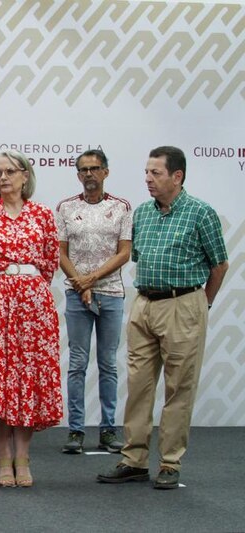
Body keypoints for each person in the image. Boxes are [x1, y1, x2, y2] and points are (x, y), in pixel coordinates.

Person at [98, 146, 227, 489]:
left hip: (183, 304)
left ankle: (170, 463)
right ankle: (134, 459)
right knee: (138, 385)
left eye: (155, 173)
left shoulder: (201, 213)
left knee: (178, 388)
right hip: (144, 303)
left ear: (177, 176)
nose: (147, 179)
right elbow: (136, 255)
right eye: (147, 172)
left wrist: (202, 305)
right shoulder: (141, 213)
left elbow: (219, 265)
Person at [0, 150, 61, 488]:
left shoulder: (43, 215)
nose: (2, 177)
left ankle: (24, 458)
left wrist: (27, 286)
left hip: (33, 307)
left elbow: (49, 260)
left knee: (26, 380)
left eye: (9, 171)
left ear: (24, 175)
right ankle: (3, 458)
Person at [55, 149, 131, 455]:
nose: (89, 174)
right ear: (78, 175)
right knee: (76, 364)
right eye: (84, 169)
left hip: (111, 294)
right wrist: (80, 283)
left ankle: (108, 429)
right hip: (76, 295)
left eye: (95, 168)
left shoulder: (122, 207)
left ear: (106, 172)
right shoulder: (65, 208)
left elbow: (124, 252)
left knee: (108, 364)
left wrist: (92, 279)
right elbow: (61, 253)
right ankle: (75, 430)